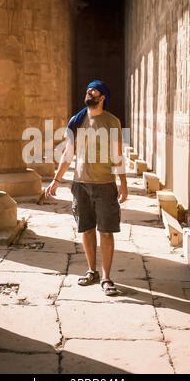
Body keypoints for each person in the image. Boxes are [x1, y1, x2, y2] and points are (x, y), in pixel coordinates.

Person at [46, 79, 128, 296]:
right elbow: (67, 154)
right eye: (88, 89)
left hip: (105, 184)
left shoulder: (112, 122)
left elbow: (118, 155)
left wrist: (124, 184)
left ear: (102, 98)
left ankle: (107, 277)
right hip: (81, 185)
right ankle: (92, 271)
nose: (89, 92)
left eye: (94, 90)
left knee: (106, 232)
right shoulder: (76, 120)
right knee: (86, 229)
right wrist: (56, 180)